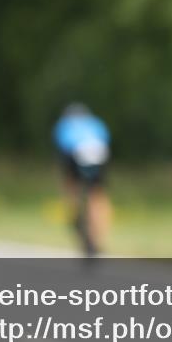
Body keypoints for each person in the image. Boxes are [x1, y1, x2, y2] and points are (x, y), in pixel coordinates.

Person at [53, 103, 112, 257]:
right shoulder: (95, 122)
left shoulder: (64, 125)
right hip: (99, 152)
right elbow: (106, 140)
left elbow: (62, 149)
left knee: (71, 187)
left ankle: (75, 216)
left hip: (74, 153)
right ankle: (98, 237)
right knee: (97, 194)